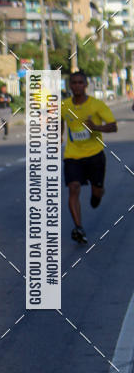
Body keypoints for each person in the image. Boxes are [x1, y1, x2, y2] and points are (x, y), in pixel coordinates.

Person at [61, 70, 117, 243]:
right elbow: (59, 124)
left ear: (85, 85)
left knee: (96, 192)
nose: (77, 85)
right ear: (70, 85)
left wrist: (96, 128)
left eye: (80, 83)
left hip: (95, 156)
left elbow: (113, 127)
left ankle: (97, 194)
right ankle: (78, 227)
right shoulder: (64, 106)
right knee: (73, 188)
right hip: (72, 156)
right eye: (74, 82)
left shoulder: (97, 105)